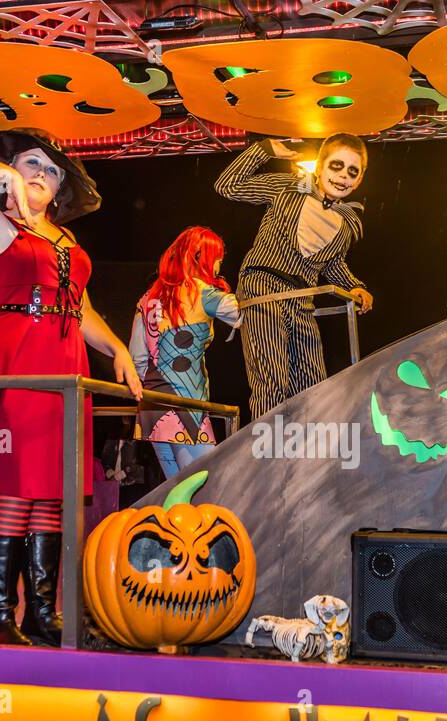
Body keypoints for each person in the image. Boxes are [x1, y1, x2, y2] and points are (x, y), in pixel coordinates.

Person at [0, 127, 143, 647]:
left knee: (52, 489)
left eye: (51, 171)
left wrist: (117, 348)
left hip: (65, 359)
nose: (42, 175)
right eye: (31, 163)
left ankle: (41, 613)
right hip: (18, 357)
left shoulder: (66, 242)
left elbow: (83, 308)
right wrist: (3, 173)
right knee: (16, 486)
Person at [215, 133, 374, 418]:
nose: (343, 177)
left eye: (353, 171)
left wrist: (356, 286)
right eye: (336, 166)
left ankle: (307, 456)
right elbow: (227, 185)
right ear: (320, 166)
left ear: (359, 179)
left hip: (302, 300)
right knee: (271, 380)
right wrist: (263, 151)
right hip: (263, 286)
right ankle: (267, 454)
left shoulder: (347, 223)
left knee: (313, 386)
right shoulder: (289, 188)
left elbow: (332, 265)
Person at [129, 226, 240, 479]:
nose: (218, 267)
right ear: (202, 257)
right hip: (185, 405)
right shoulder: (203, 292)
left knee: (175, 491)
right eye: (218, 259)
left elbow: (137, 357)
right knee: (207, 484)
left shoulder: (148, 297)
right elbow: (248, 314)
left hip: (151, 405)